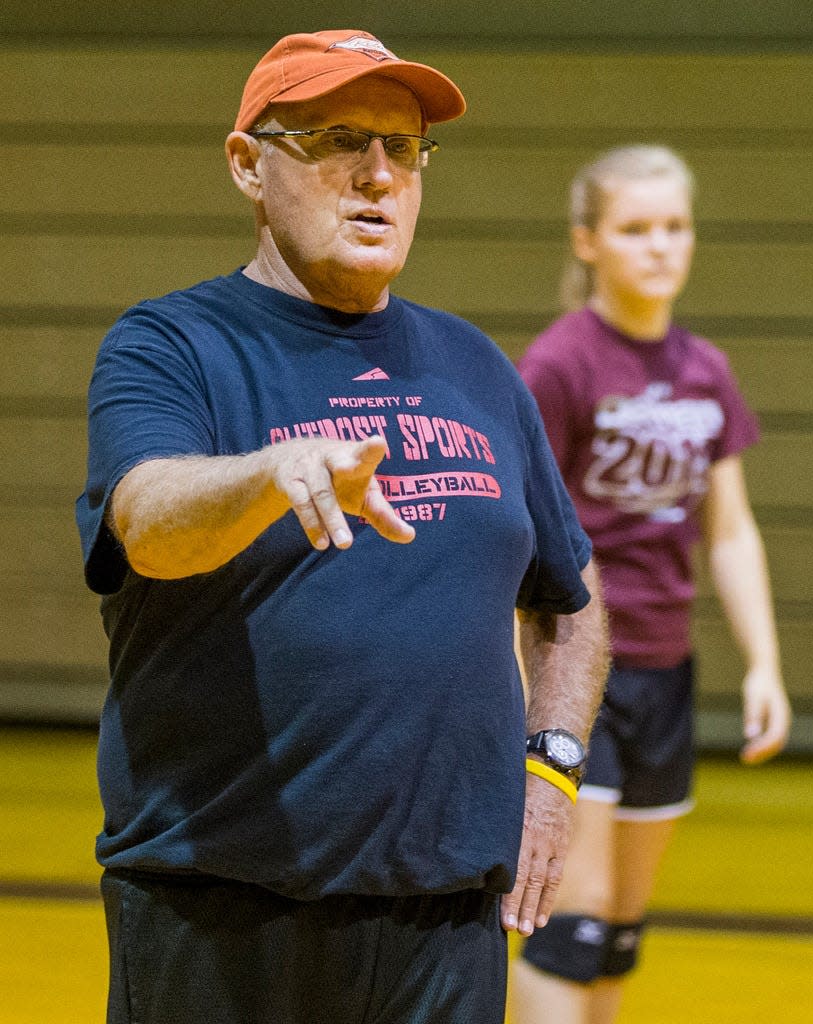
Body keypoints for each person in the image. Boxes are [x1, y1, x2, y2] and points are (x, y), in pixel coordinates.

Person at [74, 29, 610, 1024]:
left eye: (401, 149)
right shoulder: (171, 344)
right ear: (246, 162)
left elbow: (568, 601)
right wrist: (269, 474)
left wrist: (552, 769)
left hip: (445, 926)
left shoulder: (476, 366)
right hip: (220, 913)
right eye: (334, 139)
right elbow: (145, 522)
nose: (376, 175)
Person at [510, 145, 792, 1024]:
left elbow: (731, 529)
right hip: (581, 670)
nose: (661, 246)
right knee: (569, 926)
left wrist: (764, 665)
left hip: (667, 674)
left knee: (621, 934)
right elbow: (520, 538)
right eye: (636, 229)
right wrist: (523, 683)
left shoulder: (705, 368)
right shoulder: (559, 366)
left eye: (675, 226)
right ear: (588, 241)